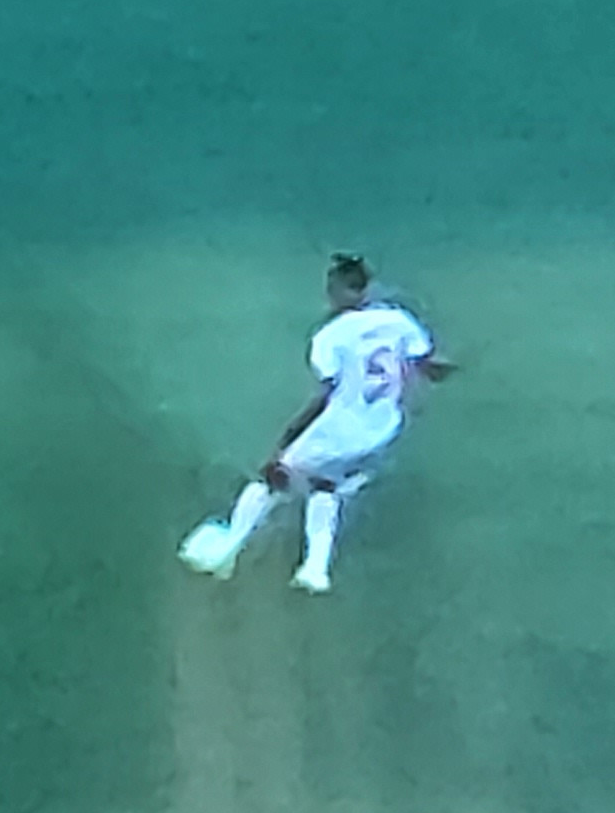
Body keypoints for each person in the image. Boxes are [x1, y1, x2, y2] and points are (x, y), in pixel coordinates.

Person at [181, 254, 455, 594]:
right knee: (326, 485)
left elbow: (323, 398)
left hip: (338, 429)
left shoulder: (330, 336)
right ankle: (315, 569)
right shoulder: (399, 320)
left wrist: (283, 444)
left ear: (338, 289)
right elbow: (426, 365)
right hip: (382, 428)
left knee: (272, 478)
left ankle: (226, 550)